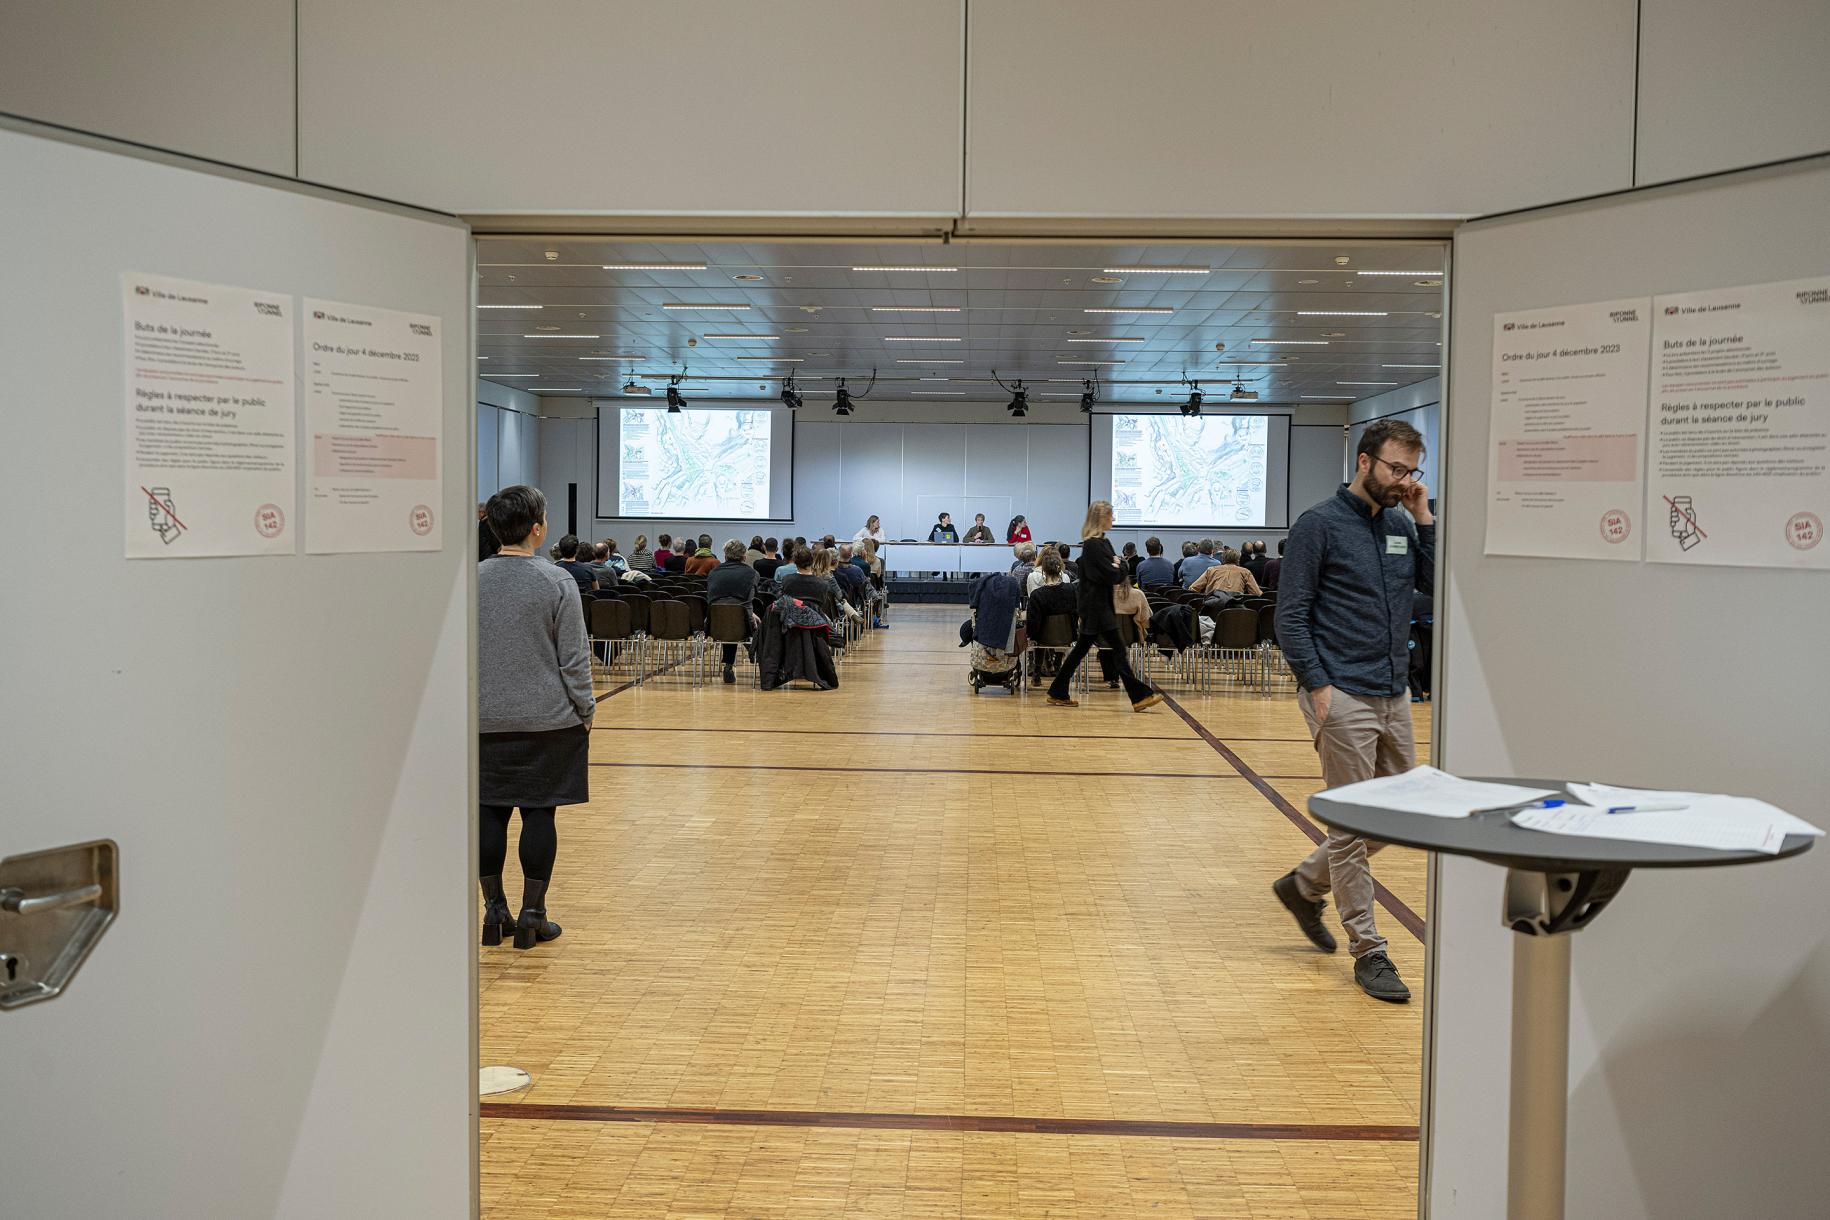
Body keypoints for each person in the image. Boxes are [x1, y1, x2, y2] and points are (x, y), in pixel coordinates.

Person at [1271, 418, 1435, 1004]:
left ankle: (1303, 884)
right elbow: (1289, 614)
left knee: (1398, 810)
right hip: (1341, 693)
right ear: (1364, 461)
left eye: (1413, 471)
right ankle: (1370, 950)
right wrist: (1317, 687)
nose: (1404, 480)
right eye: (1396, 469)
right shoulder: (1319, 525)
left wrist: (1424, 519)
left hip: (1393, 691)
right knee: (1350, 825)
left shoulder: (1399, 522)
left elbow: (1433, 586)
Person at [476, 485, 594, 951]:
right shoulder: (557, 582)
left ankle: (494, 911)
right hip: (548, 720)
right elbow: (574, 660)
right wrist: (585, 710)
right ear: (538, 528)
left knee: (488, 813)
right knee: (539, 814)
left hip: (483, 720)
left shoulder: (470, 579)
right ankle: (532, 914)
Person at [1045, 501, 1161, 713]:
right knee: (1117, 650)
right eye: (1110, 516)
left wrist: (1118, 565)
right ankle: (1139, 696)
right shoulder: (1093, 545)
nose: (1113, 519)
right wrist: (1120, 565)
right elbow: (1111, 575)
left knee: (1084, 650)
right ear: (1100, 518)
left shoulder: (1102, 543)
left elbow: (1115, 571)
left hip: (1100, 605)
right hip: (1096, 607)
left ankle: (1057, 691)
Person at [708, 539, 758, 684]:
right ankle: (756, 654)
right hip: (743, 624)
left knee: (728, 616)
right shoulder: (752, 573)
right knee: (742, 619)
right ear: (744, 556)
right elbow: (750, 600)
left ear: (725, 555)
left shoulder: (713, 573)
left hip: (716, 624)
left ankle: (728, 665)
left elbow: (712, 600)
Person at [1188, 547, 1263, 597]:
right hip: (1235, 609)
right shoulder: (1245, 572)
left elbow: (1193, 588)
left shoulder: (1211, 570)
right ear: (1238, 560)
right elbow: (1257, 593)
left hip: (1212, 609)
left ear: (1223, 559)